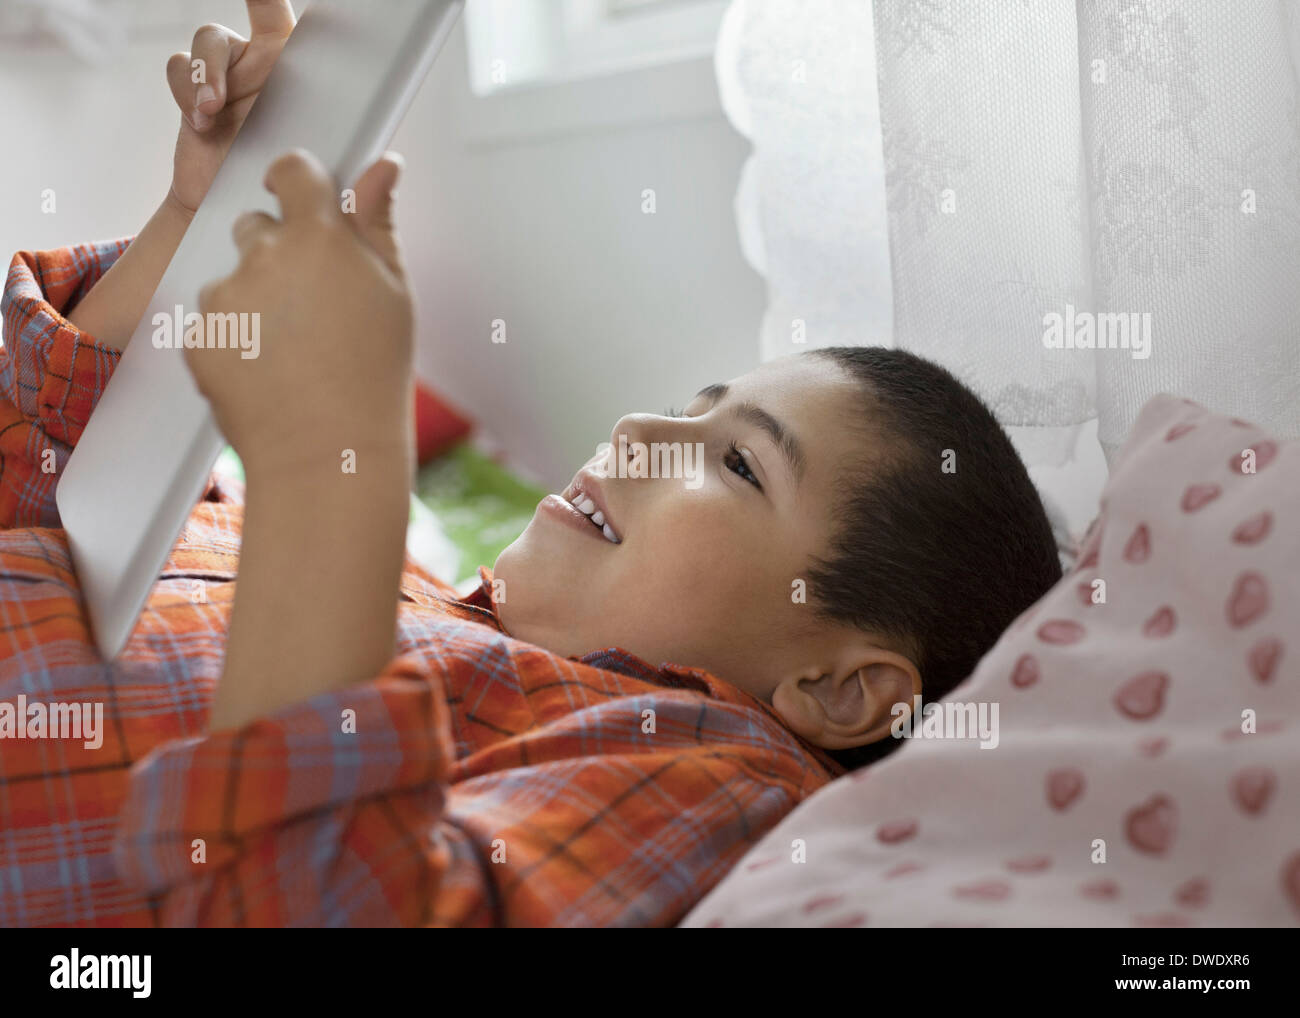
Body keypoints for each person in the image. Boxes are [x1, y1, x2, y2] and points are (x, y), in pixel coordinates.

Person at [0, 1, 1060, 926]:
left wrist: (335, 466)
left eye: (737, 465)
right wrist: (201, 224)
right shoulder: (421, 606)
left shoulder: (705, 772)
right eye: (693, 407)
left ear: (838, 690)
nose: (641, 430)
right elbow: (46, 480)